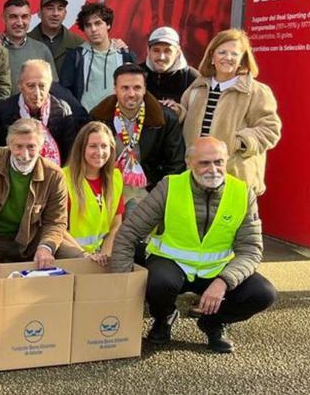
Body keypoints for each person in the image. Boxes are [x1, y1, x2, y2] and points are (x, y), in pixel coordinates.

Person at [110, 137, 278, 353]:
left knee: (264, 293)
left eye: (219, 162)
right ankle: (164, 317)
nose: (213, 169)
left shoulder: (243, 193)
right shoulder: (170, 187)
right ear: (189, 163)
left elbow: (251, 249)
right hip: (172, 266)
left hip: (217, 272)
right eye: (204, 163)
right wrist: (121, 288)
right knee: (158, 282)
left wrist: (224, 282)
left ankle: (213, 322)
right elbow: (129, 233)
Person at [0, 119, 83, 277]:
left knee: (79, 260)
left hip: (31, 237)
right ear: (9, 144)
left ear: (41, 147)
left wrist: (46, 247)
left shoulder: (54, 175)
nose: (25, 155)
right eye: (18, 146)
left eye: (31, 147)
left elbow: (55, 221)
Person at [178, 29, 281, 195]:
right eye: (222, 52)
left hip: (235, 178)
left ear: (242, 59)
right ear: (212, 56)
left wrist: (239, 142)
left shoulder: (256, 91)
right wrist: (176, 111)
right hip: (196, 177)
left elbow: (270, 129)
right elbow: (185, 115)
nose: (228, 57)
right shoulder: (197, 86)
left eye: (234, 53)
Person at [89, 63, 185, 203]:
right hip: (108, 190)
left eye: (137, 88)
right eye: (125, 88)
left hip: (147, 191)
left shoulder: (164, 118)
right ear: (115, 89)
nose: (131, 94)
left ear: (145, 89)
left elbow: (176, 163)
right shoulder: (98, 117)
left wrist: (158, 193)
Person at [0, 59, 86, 166]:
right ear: (20, 85)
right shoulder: (5, 110)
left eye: (42, 86)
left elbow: (70, 152)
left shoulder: (63, 111)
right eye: (30, 86)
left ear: (50, 86)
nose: (37, 93)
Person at [60, 122, 124, 265]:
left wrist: (105, 255)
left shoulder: (116, 178)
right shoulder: (63, 179)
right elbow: (56, 228)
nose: (99, 152)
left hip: (100, 254)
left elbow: (116, 224)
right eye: (93, 146)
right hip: (70, 254)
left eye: (104, 146)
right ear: (81, 149)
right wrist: (85, 256)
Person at [58, 1, 135, 110]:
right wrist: (79, 114)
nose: (93, 29)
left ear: (108, 25)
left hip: (118, 119)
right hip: (86, 121)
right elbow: (65, 91)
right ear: (83, 29)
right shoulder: (75, 56)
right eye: (88, 25)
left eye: (98, 23)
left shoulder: (124, 56)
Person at [0, 0, 57, 89]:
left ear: (30, 18)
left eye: (24, 17)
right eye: (13, 17)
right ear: (3, 18)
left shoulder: (41, 50)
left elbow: (52, 86)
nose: (19, 22)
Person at [143, 26, 200, 115]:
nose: (161, 57)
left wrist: (180, 111)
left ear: (177, 52)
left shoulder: (193, 79)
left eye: (167, 51)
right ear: (148, 51)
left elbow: (198, 116)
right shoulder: (137, 74)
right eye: (156, 50)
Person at [27, 0, 84, 70]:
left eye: (60, 9)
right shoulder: (26, 41)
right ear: (39, 13)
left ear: (65, 14)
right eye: (50, 8)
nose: (55, 13)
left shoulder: (77, 43)